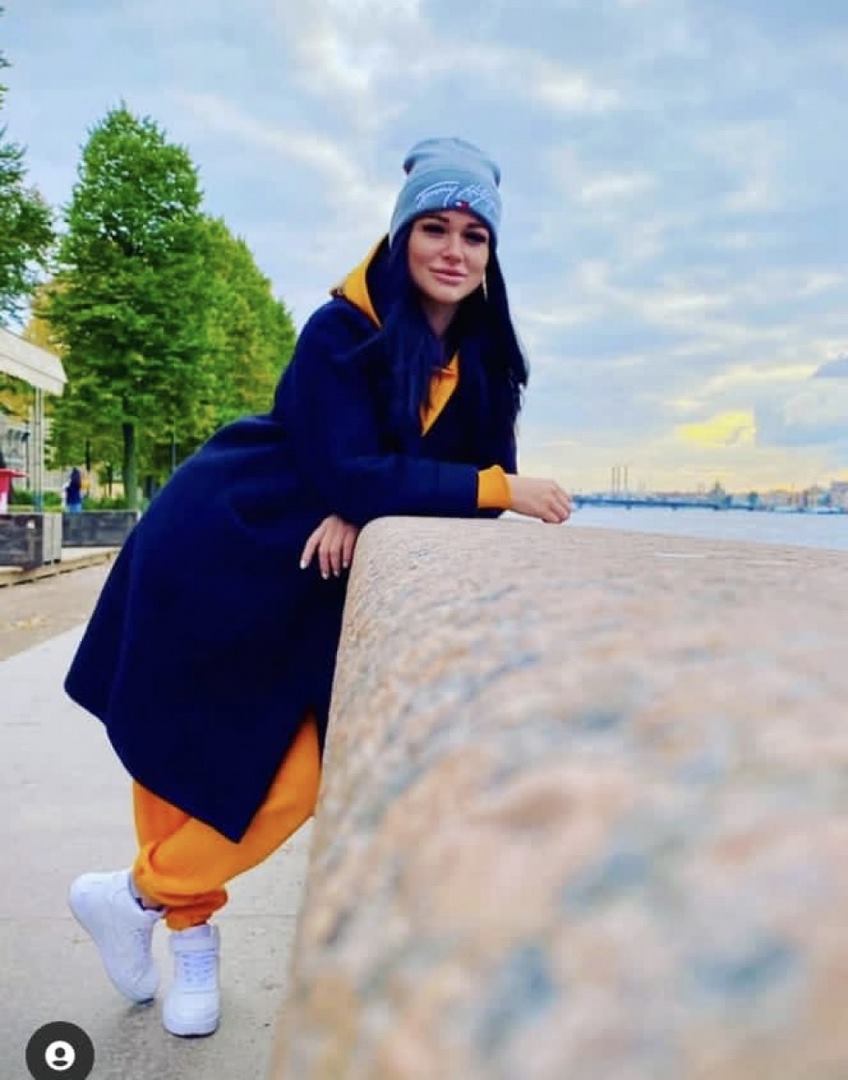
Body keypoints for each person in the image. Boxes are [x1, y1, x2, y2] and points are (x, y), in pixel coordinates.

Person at [64, 136, 572, 1038]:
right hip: (220, 541)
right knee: (178, 753)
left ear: (491, 255)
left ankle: (133, 898)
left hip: (307, 587)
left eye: (475, 236)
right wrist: (454, 487)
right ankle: (188, 935)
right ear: (401, 236)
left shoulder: (488, 361)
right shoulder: (340, 330)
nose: (454, 251)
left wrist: (370, 502)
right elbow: (381, 472)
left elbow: (399, 487)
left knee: (291, 779)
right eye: (434, 228)